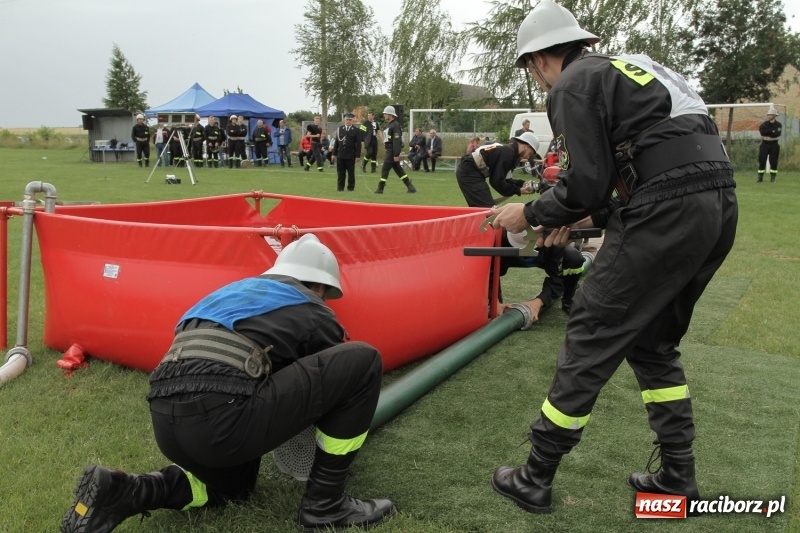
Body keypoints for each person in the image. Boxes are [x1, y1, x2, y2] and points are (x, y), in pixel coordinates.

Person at [490, 0, 737, 515]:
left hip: (666, 209)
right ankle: (677, 476)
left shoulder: (573, 84)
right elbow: (624, 181)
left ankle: (535, 476)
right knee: (653, 341)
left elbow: (586, 184)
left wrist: (531, 213)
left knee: (591, 330)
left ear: (539, 60)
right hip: (714, 205)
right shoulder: (633, 70)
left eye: (533, 72)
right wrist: (577, 217)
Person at [60, 234, 396, 533]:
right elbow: (336, 384)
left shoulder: (228, 295)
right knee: (363, 360)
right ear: (320, 286)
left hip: (168, 423)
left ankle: (130, 491)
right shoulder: (312, 308)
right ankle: (326, 504)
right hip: (225, 419)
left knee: (231, 488)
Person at [374, 106, 416, 194]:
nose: (384, 115)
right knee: (398, 169)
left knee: (385, 169)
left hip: (392, 150)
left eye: (385, 114)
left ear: (390, 114)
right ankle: (410, 186)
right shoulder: (390, 124)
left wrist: (396, 154)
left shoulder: (395, 125)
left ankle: (380, 188)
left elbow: (397, 141)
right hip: (390, 149)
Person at [331, 112, 362, 191]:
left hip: (350, 155)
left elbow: (358, 144)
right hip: (341, 154)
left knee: (351, 174)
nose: (348, 121)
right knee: (341, 173)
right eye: (347, 120)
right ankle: (340, 188)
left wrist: (358, 155)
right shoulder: (340, 129)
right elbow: (337, 143)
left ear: (352, 120)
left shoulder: (356, 130)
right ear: (344, 120)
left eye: (350, 120)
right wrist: (334, 154)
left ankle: (350, 188)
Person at [757, 105, 782, 183]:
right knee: (762, 160)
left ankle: (773, 178)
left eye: (770, 115)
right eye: (768, 115)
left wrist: (769, 132)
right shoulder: (764, 124)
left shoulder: (778, 125)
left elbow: (777, 134)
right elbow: (762, 132)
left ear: (774, 116)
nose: (769, 116)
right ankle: (760, 178)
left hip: (774, 144)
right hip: (765, 144)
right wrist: (771, 131)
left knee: (774, 161)